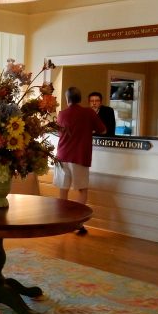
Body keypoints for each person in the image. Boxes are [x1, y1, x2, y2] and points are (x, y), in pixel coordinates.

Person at [54, 86, 107, 234]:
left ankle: (63, 221)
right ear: (80, 99)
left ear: (67, 99)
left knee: (63, 189)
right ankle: (76, 222)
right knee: (82, 190)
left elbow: (59, 133)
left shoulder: (62, 114)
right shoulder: (88, 112)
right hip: (79, 156)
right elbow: (103, 130)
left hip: (62, 155)